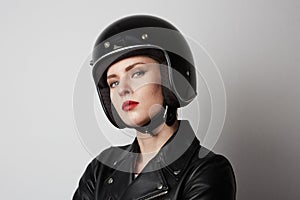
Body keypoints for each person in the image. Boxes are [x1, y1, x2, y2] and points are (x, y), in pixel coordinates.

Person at [73, 15, 236, 200]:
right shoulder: (101, 168)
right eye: (113, 83)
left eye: (137, 73)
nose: (123, 90)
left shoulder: (206, 171)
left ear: (170, 80)